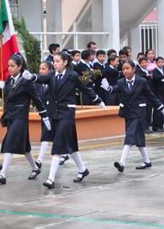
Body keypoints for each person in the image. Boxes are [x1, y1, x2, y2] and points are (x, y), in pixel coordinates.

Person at [26, 51, 105, 190]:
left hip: (67, 113)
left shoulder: (72, 76)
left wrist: (98, 100)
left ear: (65, 62)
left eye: (57, 61)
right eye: (54, 61)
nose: (55, 64)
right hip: (55, 113)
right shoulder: (52, 75)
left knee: (58, 144)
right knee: (71, 144)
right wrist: (31, 77)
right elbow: (41, 78)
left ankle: (50, 179)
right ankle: (82, 169)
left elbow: (84, 88)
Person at [101, 60, 164, 172]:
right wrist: (108, 88)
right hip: (128, 113)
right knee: (138, 138)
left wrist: (162, 109)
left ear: (134, 69)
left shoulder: (141, 81)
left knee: (130, 136)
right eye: (123, 69)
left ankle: (122, 162)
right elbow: (115, 89)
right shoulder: (121, 82)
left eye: (127, 68)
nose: (125, 71)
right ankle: (147, 161)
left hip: (139, 113)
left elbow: (151, 96)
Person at [0, 54, 50, 185]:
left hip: (21, 116)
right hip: (10, 116)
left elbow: (36, 98)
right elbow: (7, 98)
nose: (10, 69)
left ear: (20, 66)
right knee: (24, 148)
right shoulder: (9, 80)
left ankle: (3, 174)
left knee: (9, 143)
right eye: (8, 66)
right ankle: (35, 168)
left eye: (12, 66)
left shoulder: (26, 81)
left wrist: (44, 114)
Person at [136, 56, 154, 134]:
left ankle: (148, 125)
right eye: (142, 63)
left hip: (149, 93)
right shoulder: (139, 71)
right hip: (142, 94)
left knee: (149, 110)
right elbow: (138, 78)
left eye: (145, 62)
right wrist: (145, 76)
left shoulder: (148, 71)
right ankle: (143, 127)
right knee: (144, 111)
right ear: (139, 64)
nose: (144, 64)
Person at [151, 57, 164, 132]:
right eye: (159, 62)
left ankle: (161, 125)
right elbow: (155, 78)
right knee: (157, 110)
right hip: (157, 93)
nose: (161, 64)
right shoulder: (155, 71)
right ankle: (156, 126)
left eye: (162, 62)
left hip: (163, 93)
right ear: (156, 63)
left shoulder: (163, 70)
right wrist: (163, 76)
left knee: (163, 110)